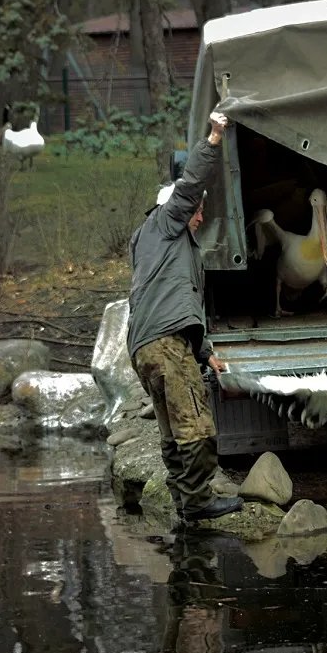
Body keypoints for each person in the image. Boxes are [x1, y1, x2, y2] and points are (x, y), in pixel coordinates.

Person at [128, 109, 243, 527]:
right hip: (164, 343)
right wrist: (213, 139)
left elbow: (181, 303)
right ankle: (197, 504)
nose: (200, 215)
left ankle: (181, 500)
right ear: (176, 207)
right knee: (196, 426)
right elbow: (192, 180)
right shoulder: (166, 223)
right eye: (196, 209)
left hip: (144, 348)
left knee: (170, 429)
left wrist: (206, 352)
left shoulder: (154, 247)